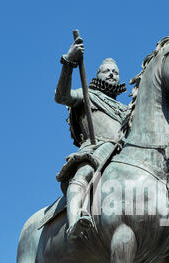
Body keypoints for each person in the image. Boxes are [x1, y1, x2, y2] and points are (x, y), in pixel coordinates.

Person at [55, 34, 129, 239]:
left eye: (116, 72)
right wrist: (68, 62)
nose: (112, 74)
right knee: (84, 172)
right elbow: (62, 96)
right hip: (96, 149)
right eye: (107, 71)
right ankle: (74, 220)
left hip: (123, 154)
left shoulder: (126, 109)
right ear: (98, 74)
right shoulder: (87, 95)